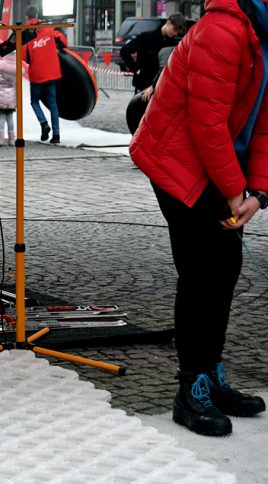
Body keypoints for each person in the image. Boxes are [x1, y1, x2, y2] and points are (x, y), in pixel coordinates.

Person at [130, 0, 267, 437]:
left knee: (226, 266)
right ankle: (192, 389)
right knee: (202, 271)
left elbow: (265, 122)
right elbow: (206, 123)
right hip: (178, 163)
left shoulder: (262, 36)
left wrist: (259, 194)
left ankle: (212, 373)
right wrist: (233, 193)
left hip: (220, 167)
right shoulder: (222, 29)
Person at [23, 6, 68, 144]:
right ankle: (56, 135)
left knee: (34, 101)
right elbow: (63, 43)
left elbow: (25, 56)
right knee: (53, 103)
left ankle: (43, 123)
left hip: (37, 72)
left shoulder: (25, 32)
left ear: (27, 17)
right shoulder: (49, 28)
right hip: (52, 71)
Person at [120, 13, 185, 93]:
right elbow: (125, 50)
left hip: (162, 87)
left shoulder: (173, 44)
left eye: (177, 32)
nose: (175, 33)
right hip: (143, 85)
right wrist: (135, 69)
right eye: (174, 30)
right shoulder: (147, 37)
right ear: (168, 23)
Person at [0, 51, 17, 147]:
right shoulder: (17, 70)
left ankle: (1, 140)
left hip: (1, 96)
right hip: (12, 97)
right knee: (10, 118)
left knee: (2, 117)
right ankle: (11, 140)